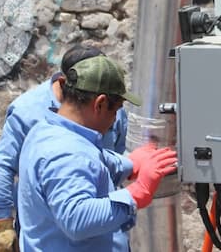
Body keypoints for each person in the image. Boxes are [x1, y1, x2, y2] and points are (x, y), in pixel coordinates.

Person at [16, 54, 177, 251]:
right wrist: (137, 193)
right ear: (99, 104)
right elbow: (77, 219)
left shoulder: (47, 130)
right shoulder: (68, 153)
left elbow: (92, 160)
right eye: (115, 111)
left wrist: (129, 164)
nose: (114, 120)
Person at [0, 44, 129, 252]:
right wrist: (2, 225)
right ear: (65, 82)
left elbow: (107, 156)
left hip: (101, 225)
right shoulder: (27, 112)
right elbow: (4, 166)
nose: (114, 117)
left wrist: (132, 165)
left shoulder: (110, 108)